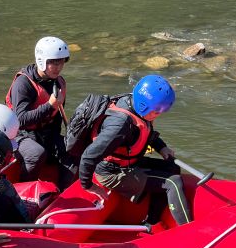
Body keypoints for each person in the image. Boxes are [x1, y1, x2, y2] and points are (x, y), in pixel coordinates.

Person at [77, 75, 192, 226]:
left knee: (172, 167)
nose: (159, 115)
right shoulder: (119, 126)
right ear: (144, 105)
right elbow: (88, 156)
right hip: (112, 173)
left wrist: (161, 147)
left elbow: (144, 130)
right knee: (173, 182)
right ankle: (188, 229)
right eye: (157, 111)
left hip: (130, 162)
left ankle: (151, 221)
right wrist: (88, 185)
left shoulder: (135, 105)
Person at [6, 36, 77, 186]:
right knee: (36, 154)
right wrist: (49, 105)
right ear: (42, 61)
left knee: (72, 151)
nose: (58, 67)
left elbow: (56, 118)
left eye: (61, 62)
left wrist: (62, 142)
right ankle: (24, 194)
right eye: (53, 63)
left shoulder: (58, 82)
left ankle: (62, 194)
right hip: (18, 135)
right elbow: (20, 119)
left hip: (45, 133)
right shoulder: (23, 83)